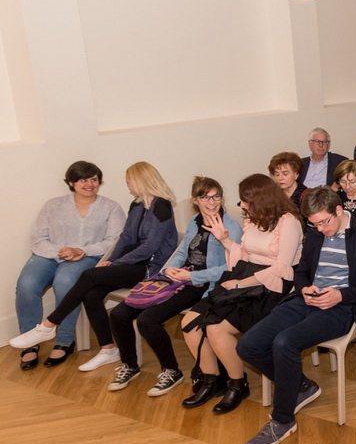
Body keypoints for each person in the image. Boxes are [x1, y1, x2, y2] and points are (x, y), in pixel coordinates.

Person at [237, 186, 356, 444]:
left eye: (324, 222)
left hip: (343, 307)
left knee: (284, 343)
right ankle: (300, 385)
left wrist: (341, 295)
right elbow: (302, 271)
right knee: (248, 345)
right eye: (314, 224)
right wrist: (304, 287)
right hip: (307, 299)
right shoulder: (316, 233)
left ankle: (283, 420)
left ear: (339, 210)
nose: (320, 229)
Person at [11, 162, 177, 373]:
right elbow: (124, 238)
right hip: (131, 263)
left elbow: (150, 247)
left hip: (149, 269)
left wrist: (116, 263)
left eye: (129, 182)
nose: (128, 187)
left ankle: (48, 325)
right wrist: (112, 259)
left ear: (140, 181)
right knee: (90, 295)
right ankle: (108, 349)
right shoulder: (136, 205)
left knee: (89, 275)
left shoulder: (162, 206)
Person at [106, 177, 243, 395]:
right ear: (195, 200)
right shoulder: (195, 221)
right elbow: (182, 251)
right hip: (178, 277)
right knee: (119, 314)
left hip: (200, 284)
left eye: (216, 196)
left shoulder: (230, 227)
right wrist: (168, 269)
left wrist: (191, 277)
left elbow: (229, 269)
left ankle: (171, 371)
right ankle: (129, 365)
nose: (211, 201)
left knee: (147, 320)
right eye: (205, 197)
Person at [179, 174, 303, 413]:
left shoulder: (289, 222)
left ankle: (238, 383)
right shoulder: (254, 219)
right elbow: (244, 256)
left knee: (216, 328)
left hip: (272, 287)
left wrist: (240, 284)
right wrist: (224, 240)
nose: (242, 206)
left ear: (262, 198)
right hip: (246, 277)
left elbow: (281, 269)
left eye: (246, 201)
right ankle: (212, 379)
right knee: (190, 322)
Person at [13, 161, 124, 369]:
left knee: (65, 282)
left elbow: (115, 240)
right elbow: (38, 237)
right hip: (48, 254)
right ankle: (30, 343)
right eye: (83, 179)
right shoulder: (53, 205)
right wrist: (59, 252)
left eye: (94, 179)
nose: (89, 184)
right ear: (72, 182)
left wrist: (82, 251)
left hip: (88, 257)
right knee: (27, 285)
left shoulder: (111, 207)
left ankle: (64, 341)